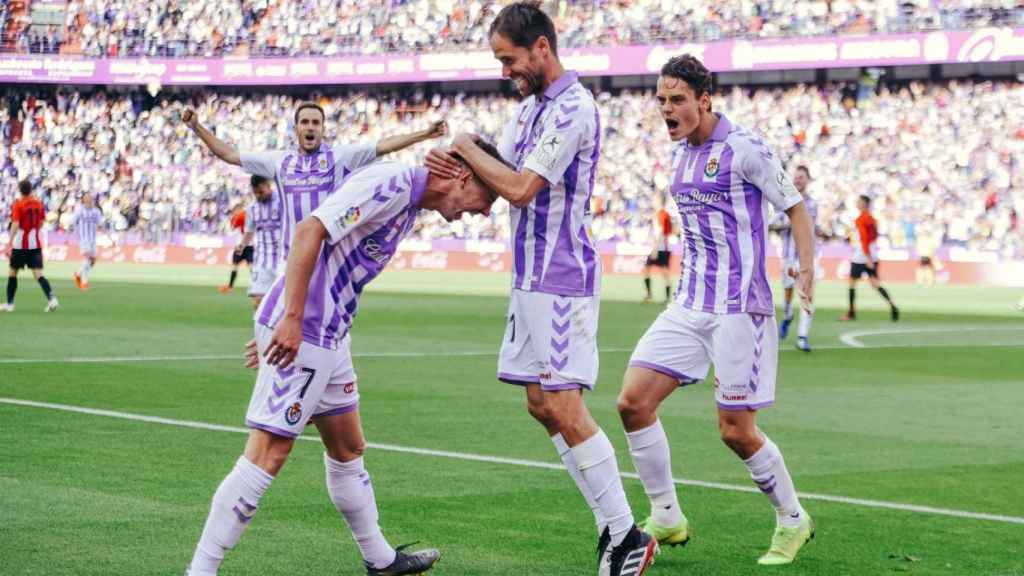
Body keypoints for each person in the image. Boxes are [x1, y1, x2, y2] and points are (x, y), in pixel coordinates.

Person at [185, 146, 501, 576]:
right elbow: (309, 230)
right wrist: (288, 319)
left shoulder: (408, 202)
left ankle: (381, 559)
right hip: (309, 329)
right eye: (489, 199)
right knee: (267, 454)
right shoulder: (390, 182)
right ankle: (200, 571)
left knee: (348, 446)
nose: (484, 213)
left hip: (330, 334)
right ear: (464, 177)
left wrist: (279, 320)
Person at [426, 4, 656, 575]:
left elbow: (524, 187)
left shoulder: (574, 108)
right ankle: (612, 525)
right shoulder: (528, 110)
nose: (506, 70)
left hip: (560, 279)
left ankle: (627, 536)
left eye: (509, 59)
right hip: (528, 276)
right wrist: (458, 161)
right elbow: (498, 175)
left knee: (562, 402)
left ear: (542, 49)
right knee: (540, 403)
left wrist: (469, 147)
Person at [616, 55, 816, 566]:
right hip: (689, 303)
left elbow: (794, 206)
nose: (666, 109)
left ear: (703, 100)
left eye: (677, 99)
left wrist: (807, 269)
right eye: (661, 99)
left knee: (735, 431)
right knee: (633, 403)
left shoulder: (744, 148)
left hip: (737, 308)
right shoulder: (680, 154)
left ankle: (793, 519)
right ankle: (666, 515)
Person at [182, 102, 446, 260]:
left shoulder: (340, 156)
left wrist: (424, 134)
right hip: (290, 260)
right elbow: (229, 154)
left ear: (323, 128)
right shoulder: (279, 161)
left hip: (328, 257)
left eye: (316, 123)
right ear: (296, 128)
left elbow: (383, 146)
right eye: (305, 122)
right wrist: (196, 127)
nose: (310, 127)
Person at [770, 165, 817, 351]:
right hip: (788, 255)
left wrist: (786, 222)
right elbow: (773, 223)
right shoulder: (783, 202)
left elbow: (805, 225)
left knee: (807, 293)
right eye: (796, 177)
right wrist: (786, 222)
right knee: (788, 289)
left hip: (806, 256)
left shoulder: (811, 203)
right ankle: (788, 314)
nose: (798, 180)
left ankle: (802, 336)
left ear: (807, 180)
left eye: (802, 177)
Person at [841, 195, 899, 321]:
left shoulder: (861, 219)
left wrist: (867, 258)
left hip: (862, 256)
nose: (857, 203)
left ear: (864, 204)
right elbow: (873, 237)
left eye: (859, 201)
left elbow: (864, 240)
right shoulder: (872, 219)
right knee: (875, 284)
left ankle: (851, 313)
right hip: (872, 255)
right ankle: (893, 305)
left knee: (852, 283)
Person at [3, 180, 57, 312]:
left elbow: (15, 223)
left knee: (13, 272)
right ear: (30, 189)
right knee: (38, 273)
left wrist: (9, 242)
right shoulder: (38, 203)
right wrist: (35, 231)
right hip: (35, 243)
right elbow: (42, 221)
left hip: (20, 245)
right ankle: (52, 299)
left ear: (20, 190)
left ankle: (10, 304)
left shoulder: (18, 204)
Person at [241, 175, 282, 308]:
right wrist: (242, 245)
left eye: (261, 191)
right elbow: (249, 231)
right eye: (255, 193)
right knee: (258, 301)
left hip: (283, 260)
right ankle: (261, 329)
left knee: (284, 303)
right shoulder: (252, 209)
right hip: (262, 260)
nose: (258, 195)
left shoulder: (283, 202)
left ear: (268, 185)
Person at [643, 194, 674, 304]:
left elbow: (660, 232)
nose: (652, 201)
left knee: (664, 272)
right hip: (659, 246)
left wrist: (654, 249)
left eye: (655, 199)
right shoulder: (658, 214)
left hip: (661, 248)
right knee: (646, 269)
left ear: (659, 200)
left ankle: (666, 298)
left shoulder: (662, 213)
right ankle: (649, 295)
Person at [71, 193, 103, 291]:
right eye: (87, 198)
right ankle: (84, 282)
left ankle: (79, 274)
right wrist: (76, 231)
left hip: (93, 239)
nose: (89, 200)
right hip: (84, 239)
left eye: (90, 198)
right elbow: (73, 221)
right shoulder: (79, 210)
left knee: (92, 261)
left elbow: (99, 223)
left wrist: (99, 226)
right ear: (83, 200)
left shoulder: (96, 211)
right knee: (88, 259)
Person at [220, 203, 253, 293]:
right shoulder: (238, 218)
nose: (235, 212)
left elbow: (234, 230)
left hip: (248, 246)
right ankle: (230, 287)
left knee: (251, 268)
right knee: (235, 267)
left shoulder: (244, 217)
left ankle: (256, 285)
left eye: (236, 210)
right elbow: (233, 230)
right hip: (240, 246)